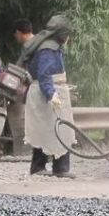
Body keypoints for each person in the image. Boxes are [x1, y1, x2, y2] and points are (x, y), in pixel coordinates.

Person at [18, 15, 77, 178]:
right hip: (46, 92)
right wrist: (51, 95)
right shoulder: (48, 49)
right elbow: (44, 75)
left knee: (46, 130)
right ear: (62, 33)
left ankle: (39, 166)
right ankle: (60, 168)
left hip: (48, 90)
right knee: (58, 130)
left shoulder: (49, 46)